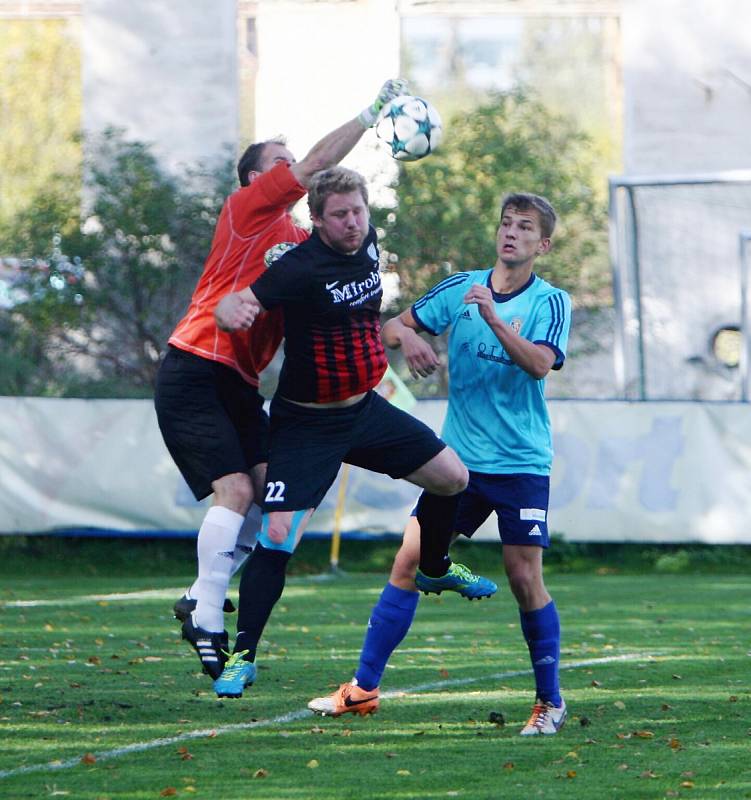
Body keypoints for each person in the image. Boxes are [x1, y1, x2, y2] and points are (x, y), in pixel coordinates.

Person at [153, 79, 408, 681]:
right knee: (236, 492)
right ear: (255, 181)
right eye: (279, 164)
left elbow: (346, 290)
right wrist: (371, 117)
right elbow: (322, 163)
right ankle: (209, 617)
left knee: (276, 496)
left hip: (241, 384)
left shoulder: (301, 243)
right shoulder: (245, 214)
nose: (294, 169)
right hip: (195, 368)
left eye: (292, 163)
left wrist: (400, 333)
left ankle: (198, 595)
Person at [210, 166, 495, 699]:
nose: (352, 223)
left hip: (365, 410)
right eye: (339, 215)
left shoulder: (368, 245)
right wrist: (230, 309)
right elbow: (236, 307)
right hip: (306, 423)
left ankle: (433, 566)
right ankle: (241, 656)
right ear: (316, 220)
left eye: (358, 211)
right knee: (278, 536)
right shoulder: (298, 268)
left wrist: (403, 338)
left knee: (453, 478)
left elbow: (372, 316)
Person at [308, 192, 572, 736]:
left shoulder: (550, 302)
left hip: (521, 462)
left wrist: (496, 322)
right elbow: (388, 328)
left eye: (525, 228)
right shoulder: (460, 287)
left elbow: (541, 365)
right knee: (407, 563)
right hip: (460, 465)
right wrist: (409, 340)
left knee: (524, 577)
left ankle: (550, 702)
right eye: (506, 223)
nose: (511, 233)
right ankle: (362, 690)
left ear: (542, 244)